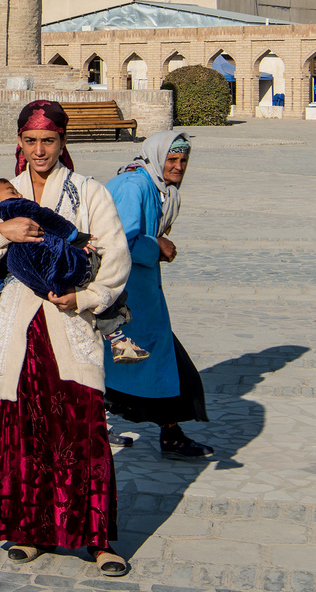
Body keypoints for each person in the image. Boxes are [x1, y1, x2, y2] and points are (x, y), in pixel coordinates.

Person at [0, 100, 133, 577]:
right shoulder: (4, 194)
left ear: (63, 142)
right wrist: (1, 229)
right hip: (19, 329)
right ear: (19, 143)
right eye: (31, 141)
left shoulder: (87, 192)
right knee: (26, 431)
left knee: (83, 430)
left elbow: (116, 256)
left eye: (49, 141)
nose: (40, 150)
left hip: (69, 326)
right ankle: (31, 531)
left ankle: (97, 540)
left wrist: (85, 299)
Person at [103, 130, 214, 459]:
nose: (178, 167)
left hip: (141, 301)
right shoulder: (133, 185)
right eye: (172, 159)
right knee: (157, 366)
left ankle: (169, 433)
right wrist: (158, 245)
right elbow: (118, 240)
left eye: (183, 161)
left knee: (138, 363)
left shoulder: (157, 188)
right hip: (122, 300)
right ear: (156, 157)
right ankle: (171, 434)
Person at [0, 177, 148, 363]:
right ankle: (118, 331)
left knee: (94, 291)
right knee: (96, 274)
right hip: (67, 266)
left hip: (46, 288)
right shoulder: (13, 207)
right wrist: (75, 236)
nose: (19, 194)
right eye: (12, 191)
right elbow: (46, 217)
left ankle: (119, 333)